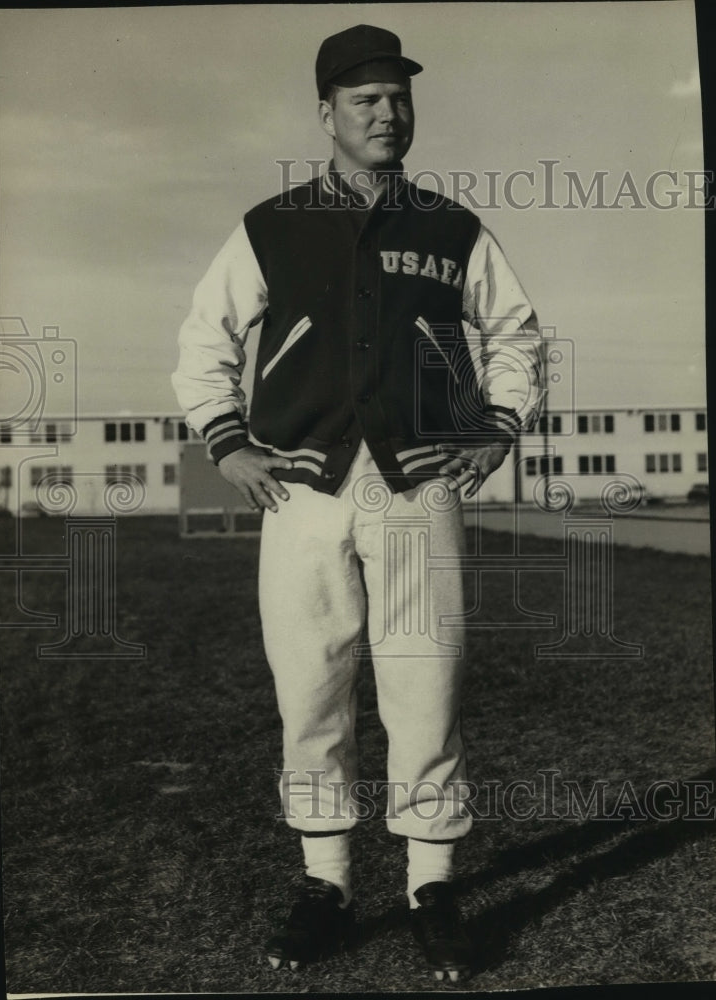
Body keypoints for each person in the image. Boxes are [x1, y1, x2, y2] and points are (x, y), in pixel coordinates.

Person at [172, 23, 543, 983]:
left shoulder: (449, 227)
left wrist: (498, 426)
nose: (386, 114)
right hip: (301, 490)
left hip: (417, 487)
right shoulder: (273, 225)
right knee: (312, 690)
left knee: (425, 689)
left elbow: (515, 333)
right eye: (365, 99)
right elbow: (201, 342)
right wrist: (230, 444)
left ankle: (431, 888)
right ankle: (326, 885)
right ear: (326, 113)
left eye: (399, 98)